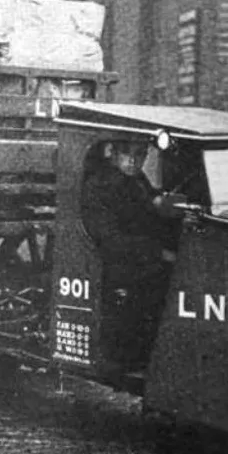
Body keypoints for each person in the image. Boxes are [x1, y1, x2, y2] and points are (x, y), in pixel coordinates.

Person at [81, 140, 184, 370]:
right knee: (164, 279)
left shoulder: (135, 179)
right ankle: (136, 357)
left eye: (139, 155)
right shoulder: (101, 186)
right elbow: (111, 240)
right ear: (114, 153)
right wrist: (158, 252)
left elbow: (148, 203)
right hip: (111, 262)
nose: (133, 160)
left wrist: (162, 202)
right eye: (127, 153)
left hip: (135, 255)